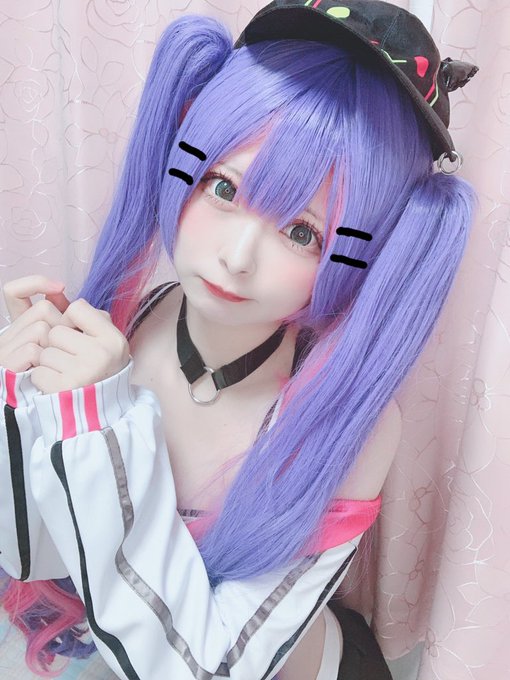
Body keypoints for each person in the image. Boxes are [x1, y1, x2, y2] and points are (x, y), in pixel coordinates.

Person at [0, 1, 479, 678]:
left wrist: (97, 431)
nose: (236, 257)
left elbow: (211, 668)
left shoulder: (352, 424)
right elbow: (41, 558)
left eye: (303, 232)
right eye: (222, 186)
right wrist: (24, 408)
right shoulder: (127, 322)